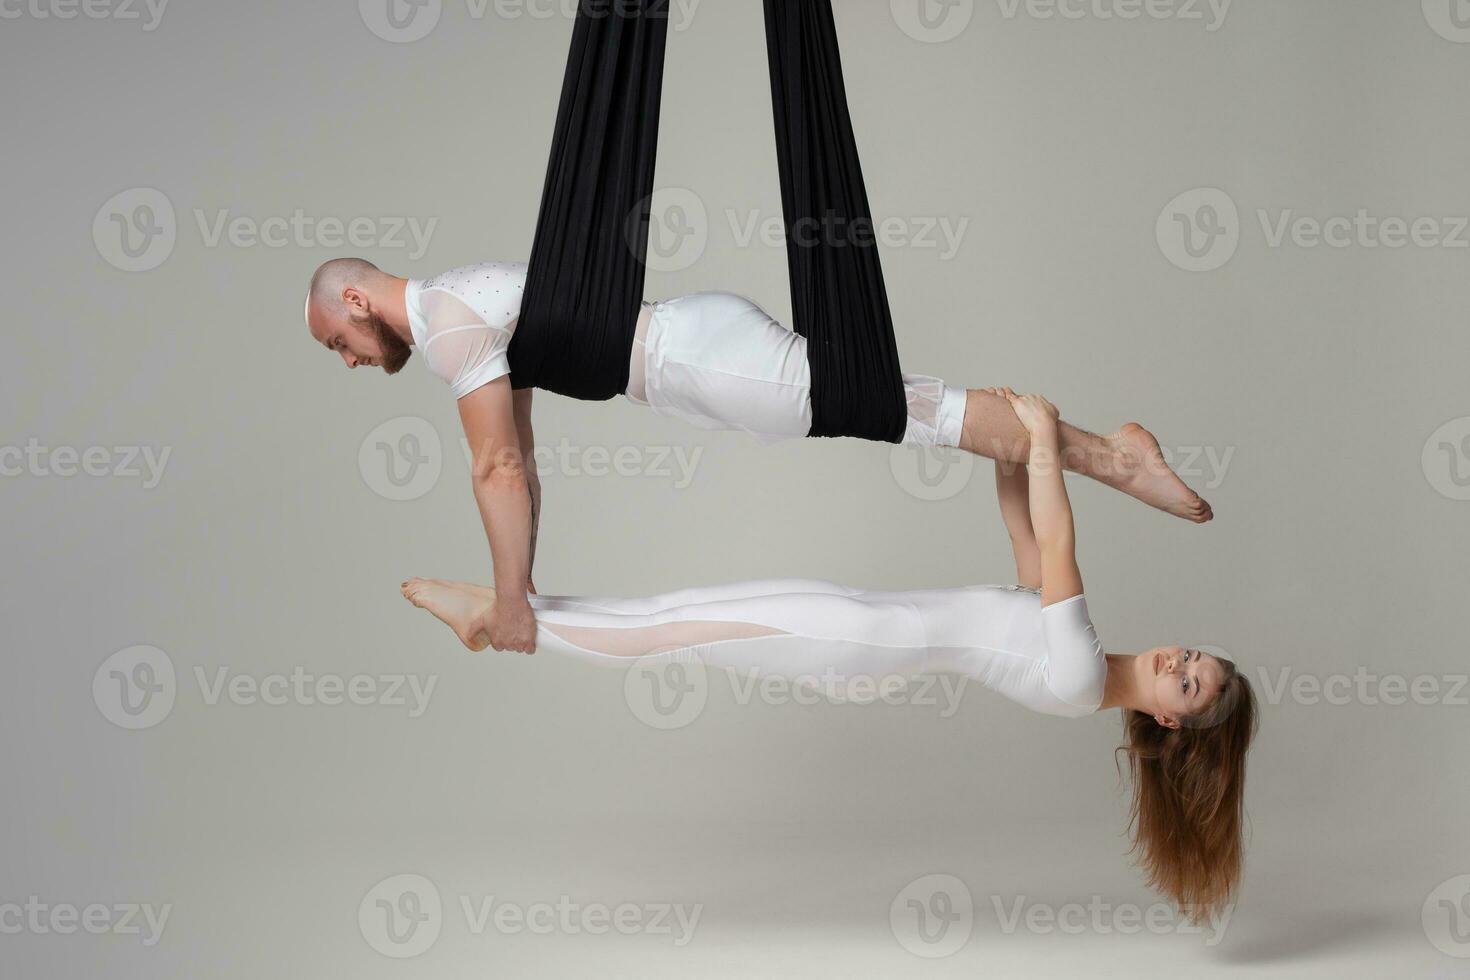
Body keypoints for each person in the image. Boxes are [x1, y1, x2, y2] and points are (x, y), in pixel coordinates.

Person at [398, 390, 1256, 919]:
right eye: (1198, 657)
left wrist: (1037, 438)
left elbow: (1060, 536)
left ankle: (502, 622)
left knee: (667, 629)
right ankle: (512, 613)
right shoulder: (1078, 651)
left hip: (844, 643)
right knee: (671, 617)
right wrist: (1010, 449)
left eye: (1188, 682)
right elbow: (1027, 536)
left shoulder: (1077, 677)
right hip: (852, 628)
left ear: (1167, 720)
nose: (1180, 661)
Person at [307, 258, 1214, 653]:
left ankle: (1117, 459)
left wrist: (513, 605)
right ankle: (1112, 456)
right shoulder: (463, 303)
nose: (348, 361)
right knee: (903, 408)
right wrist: (520, 589)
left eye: (337, 344)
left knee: (904, 412)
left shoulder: (444, 331)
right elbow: (523, 464)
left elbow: (496, 470)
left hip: (700, 360)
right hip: (695, 359)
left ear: (354, 298)